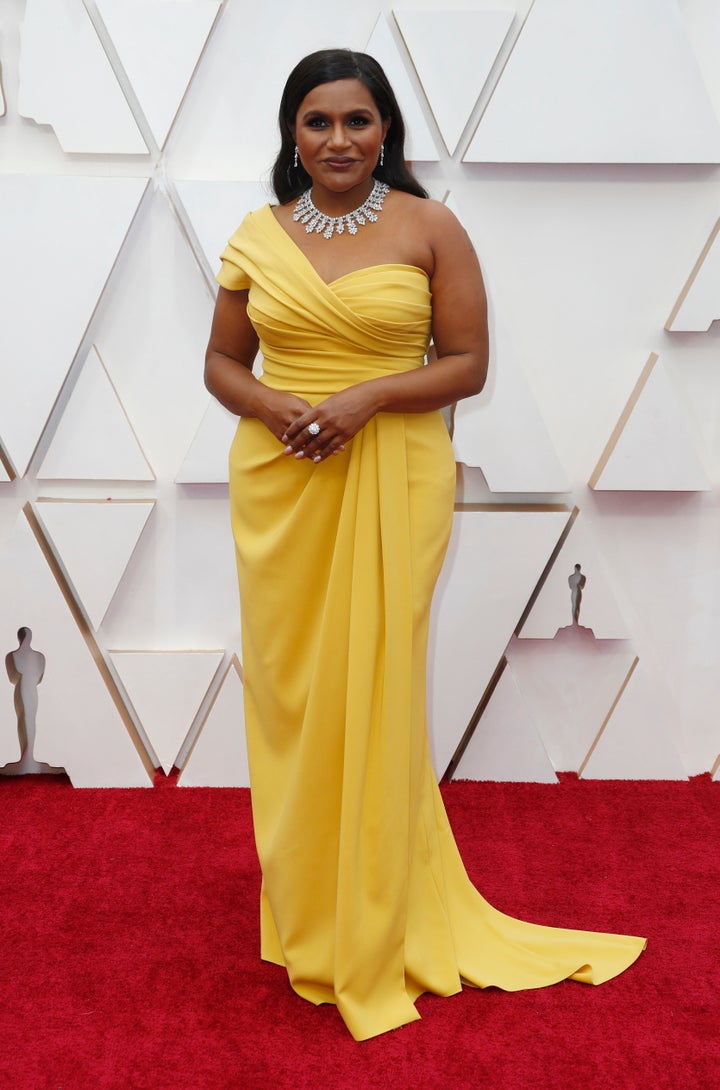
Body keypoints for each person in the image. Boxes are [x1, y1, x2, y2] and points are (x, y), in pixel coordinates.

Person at [204, 48, 645, 1041]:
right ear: (291, 135)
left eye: (358, 121)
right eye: (317, 122)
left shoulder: (431, 226)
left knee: (378, 681)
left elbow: (468, 365)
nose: (339, 140)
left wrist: (364, 398)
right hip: (282, 479)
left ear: (388, 129)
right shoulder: (255, 235)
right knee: (292, 690)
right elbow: (222, 363)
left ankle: (375, 910)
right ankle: (312, 907)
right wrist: (277, 407)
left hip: (394, 472)